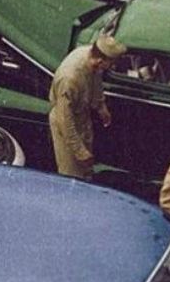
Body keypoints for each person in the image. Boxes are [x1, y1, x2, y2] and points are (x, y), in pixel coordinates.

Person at [49, 33, 126, 179]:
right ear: (100, 59)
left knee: (86, 169)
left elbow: (96, 78)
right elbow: (65, 121)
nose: (113, 66)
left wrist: (100, 105)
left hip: (82, 115)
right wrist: (79, 151)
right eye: (111, 62)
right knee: (72, 174)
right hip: (66, 123)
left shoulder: (91, 58)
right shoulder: (69, 79)